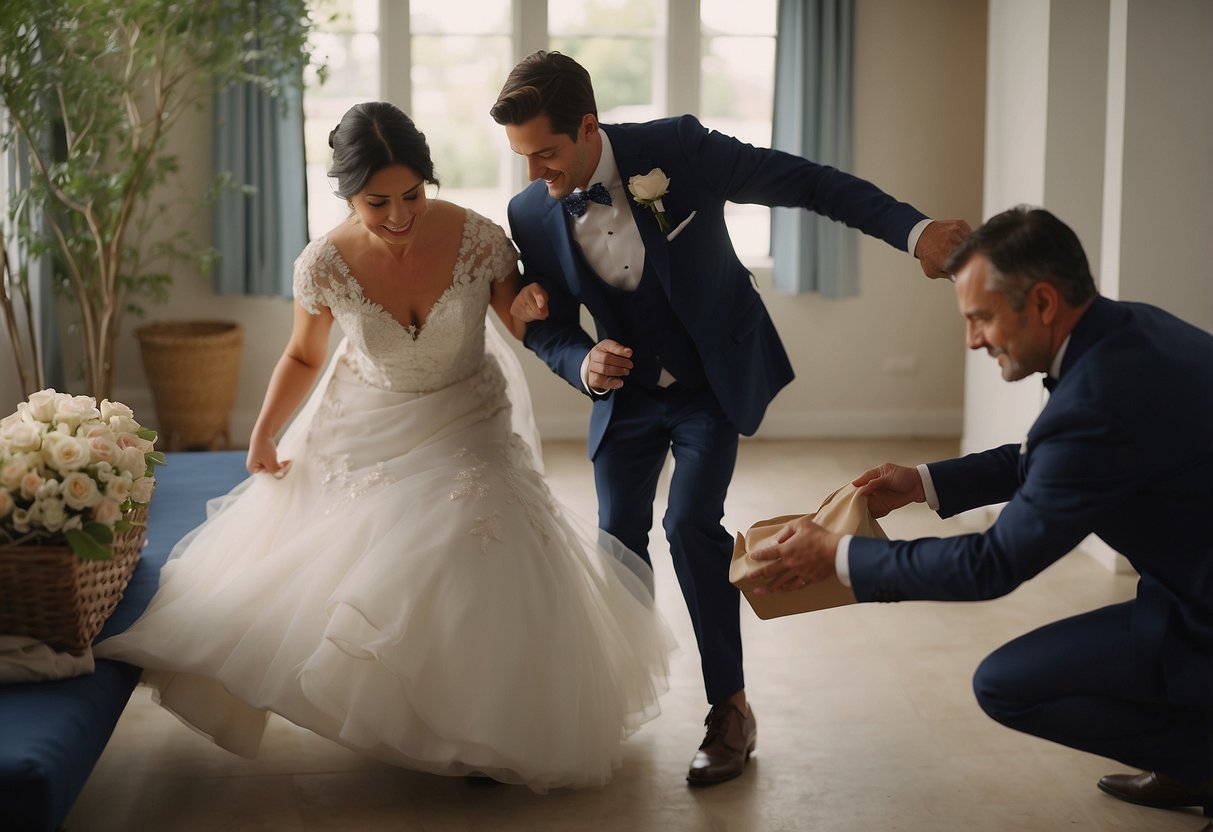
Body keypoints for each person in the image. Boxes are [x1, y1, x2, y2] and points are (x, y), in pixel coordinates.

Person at [95, 102, 673, 793]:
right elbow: (304, 357)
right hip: (365, 419)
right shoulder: (323, 264)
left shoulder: (478, 238)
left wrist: (527, 310)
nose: (400, 216)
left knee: (476, 529)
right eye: (378, 202)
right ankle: (411, 708)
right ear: (346, 194)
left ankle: (490, 721)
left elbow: (518, 319)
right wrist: (264, 429)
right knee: (365, 563)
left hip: (468, 410)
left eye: (412, 195)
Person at [489, 49, 972, 786]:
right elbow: (543, 321)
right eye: (522, 157)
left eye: (546, 153)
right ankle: (613, 699)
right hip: (625, 398)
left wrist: (914, 231)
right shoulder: (531, 210)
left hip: (708, 382)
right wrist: (580, 361)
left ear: (587, 127)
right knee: (616, 533)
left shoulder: (675, 151)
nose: (535, 174)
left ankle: (730, 711)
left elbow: (809, 183)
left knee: (689, 525)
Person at [747, 206, 1213, 817]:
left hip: (1199, 609)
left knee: (1006, 685)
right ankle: (1192, 761)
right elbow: (1054, 464)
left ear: (1043, 302)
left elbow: (991, 564)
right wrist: (922, 482)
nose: (973, 340)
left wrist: (839, 555)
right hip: (1185, 585)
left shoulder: (1098, 400)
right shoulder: (1129, 331)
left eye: (983, 318)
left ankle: (1201, 759)